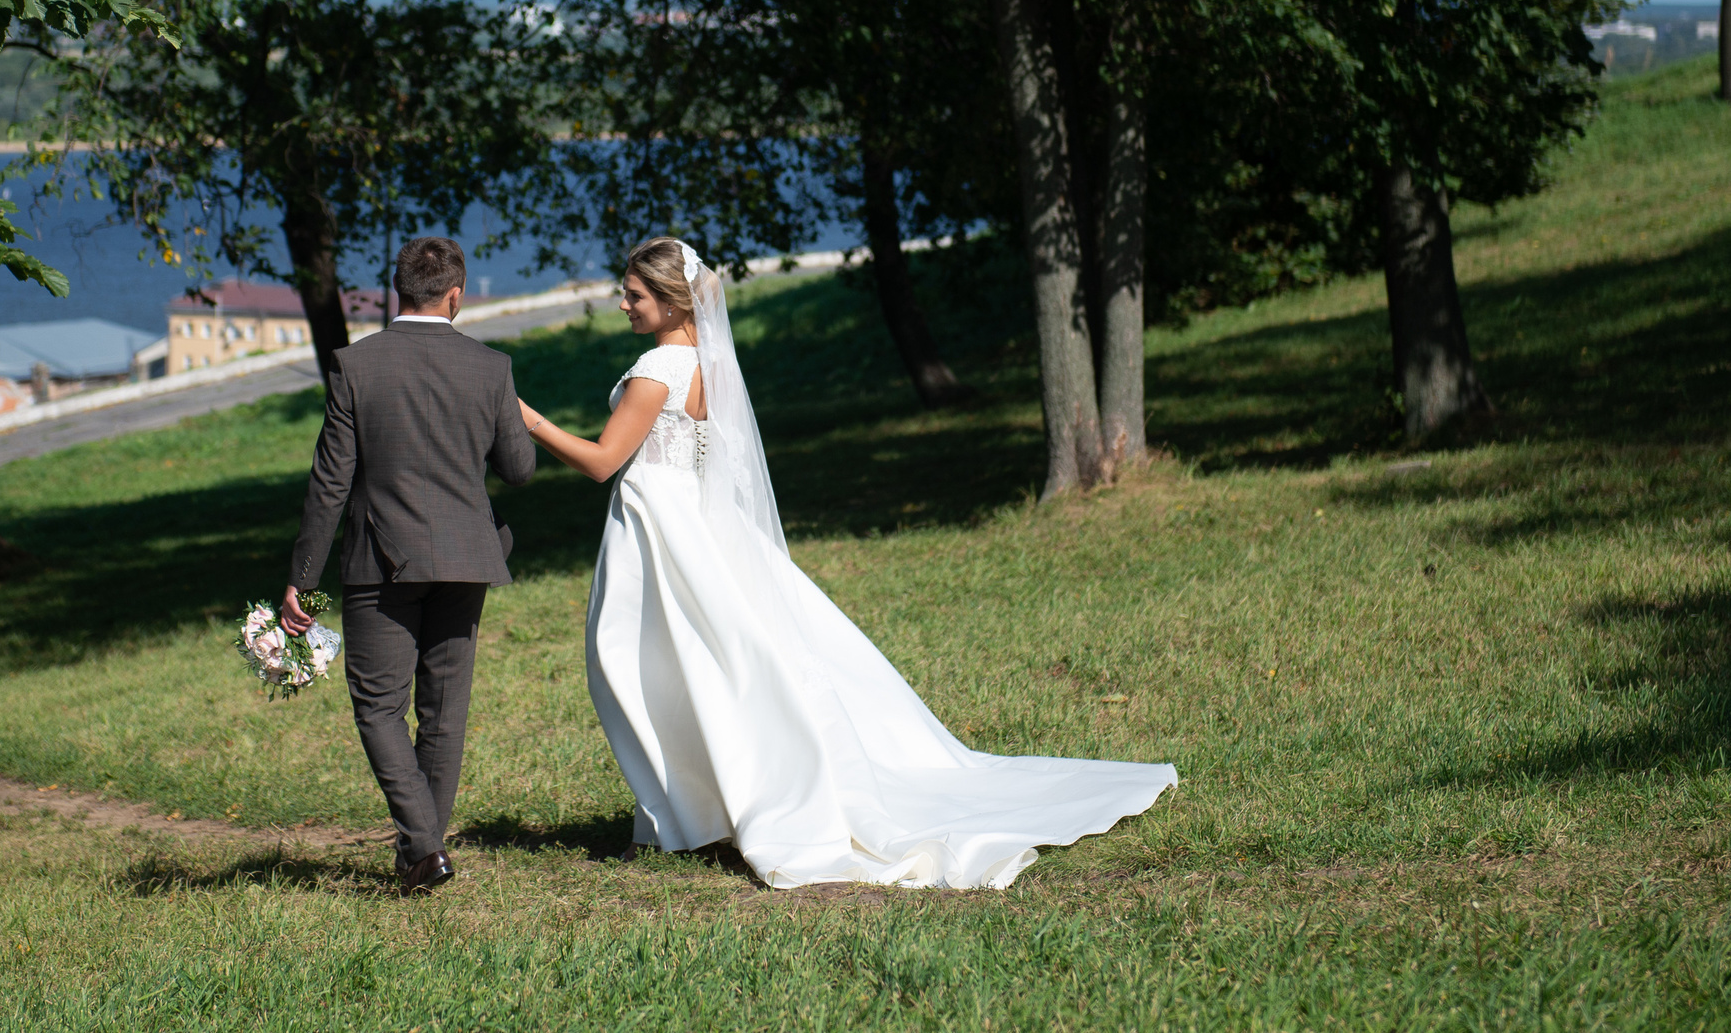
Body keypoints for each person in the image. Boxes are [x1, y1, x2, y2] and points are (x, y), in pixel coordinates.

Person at [516, 236, 1177, 889]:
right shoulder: (706, 364)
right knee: (701, 663)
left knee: (648, 665)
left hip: (659, 522)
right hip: (689, 517)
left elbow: (604, 460)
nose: (621, 304)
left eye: (632, 295)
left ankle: (687, 812)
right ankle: (688, 811)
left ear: (668, 301)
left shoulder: (656, 370)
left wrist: (525, 418)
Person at [279, 236, 536, 895]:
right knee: (445, 709)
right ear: (457, 293)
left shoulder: (356, 365)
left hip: (380, 560)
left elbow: (329, 483)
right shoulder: (491, 366)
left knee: (379, 706)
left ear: (397, 290)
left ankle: (423, 848)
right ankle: (422, 852)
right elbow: (519, 470)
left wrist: (301, 577)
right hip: (466, 555)